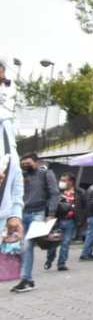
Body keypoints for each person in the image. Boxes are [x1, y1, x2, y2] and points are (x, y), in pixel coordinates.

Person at [12, 152, 59, 293]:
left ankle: (26, 280)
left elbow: (55, 194)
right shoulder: (21, 176)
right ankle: (28, 280)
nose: (26, 166)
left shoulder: (46, 174)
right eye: (23, 164)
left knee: (27, 246)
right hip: (23, 214)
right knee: (24, 247)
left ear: (36, 162)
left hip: (38, 213)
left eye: (29, 164)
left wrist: (51, 214)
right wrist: (21, 184)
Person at [0, 56, 25, 275]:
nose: (3, 86)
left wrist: (14, 213)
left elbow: (15, 173)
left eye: (3, 80)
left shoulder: (6, 125)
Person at [45, 171, 82, 271]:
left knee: (65, 243)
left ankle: (61, 264)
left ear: (71, 182)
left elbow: (84, 206)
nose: (62, 182)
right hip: (57, 222)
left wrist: (81, 219)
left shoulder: (79, 193)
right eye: (61, 180)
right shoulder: (56, 193)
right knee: (53, 243)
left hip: (70, 222)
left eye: (64, 180)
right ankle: (49, 259)